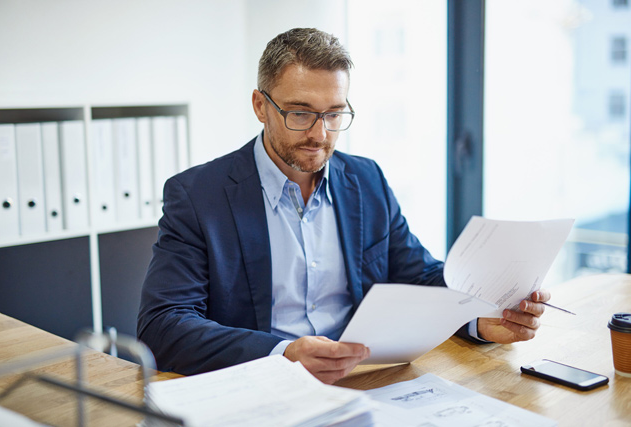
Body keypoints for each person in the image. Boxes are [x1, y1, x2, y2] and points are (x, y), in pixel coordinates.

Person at [137, 28, 551, 385]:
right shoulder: (197, 195)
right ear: (261, 106)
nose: (320, 134)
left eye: (334, 114)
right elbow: (163, 325)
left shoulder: (366, 179)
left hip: (364, 379)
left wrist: (480, 318)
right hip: (262, 390)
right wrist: (282, 352)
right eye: (300, 113)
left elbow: (418, 277)